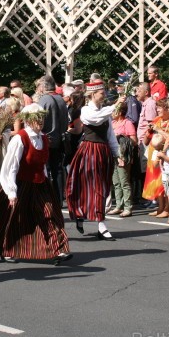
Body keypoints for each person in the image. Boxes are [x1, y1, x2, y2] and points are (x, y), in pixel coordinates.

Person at [0, 104, 72, 264]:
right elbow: (10, 168)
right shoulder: (20, 138)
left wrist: (45, 179)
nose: (40, 121)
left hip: (40, 184)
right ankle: (6, 250)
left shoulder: (43, 138)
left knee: (50, 214)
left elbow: (42, 163)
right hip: (20, 184)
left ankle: (59, 250)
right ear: (28, 120)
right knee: (14, 219)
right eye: (37, 118)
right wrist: (11, 192)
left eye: (42, 118)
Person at [65, 81, 120, 240]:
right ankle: (80, 213)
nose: (104, 95)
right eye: (101, 92)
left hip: (103, 151)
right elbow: (95, 119)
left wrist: (118, 153)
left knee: (102, 187)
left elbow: (110, 135)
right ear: (92, 94)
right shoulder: (86, 110)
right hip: (89, 151)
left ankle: (101, 224)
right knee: (84, 185)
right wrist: (114, 106)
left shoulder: (106, 112)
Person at [36, 75, 69, 204]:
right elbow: (66, 123)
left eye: (39, 86)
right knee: (58, 170)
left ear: (44, 87)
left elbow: (38, 121)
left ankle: (47, 199)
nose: (38, 89)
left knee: (46, 170)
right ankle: (59, 199)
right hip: (59, 140)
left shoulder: (44, 100)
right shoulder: (61, 99)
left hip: (46, 140)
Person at [110, 102, 136, 217]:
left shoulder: (128, 123)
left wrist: (122, 139)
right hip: (113, 155)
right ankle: (118, 205)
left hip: (123, 155)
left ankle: (128, 207)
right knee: (116, 182)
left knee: (124, 181)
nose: (112, 113)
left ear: (120, 112)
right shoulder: (113, 123)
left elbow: (134, 141)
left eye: (114, 110)